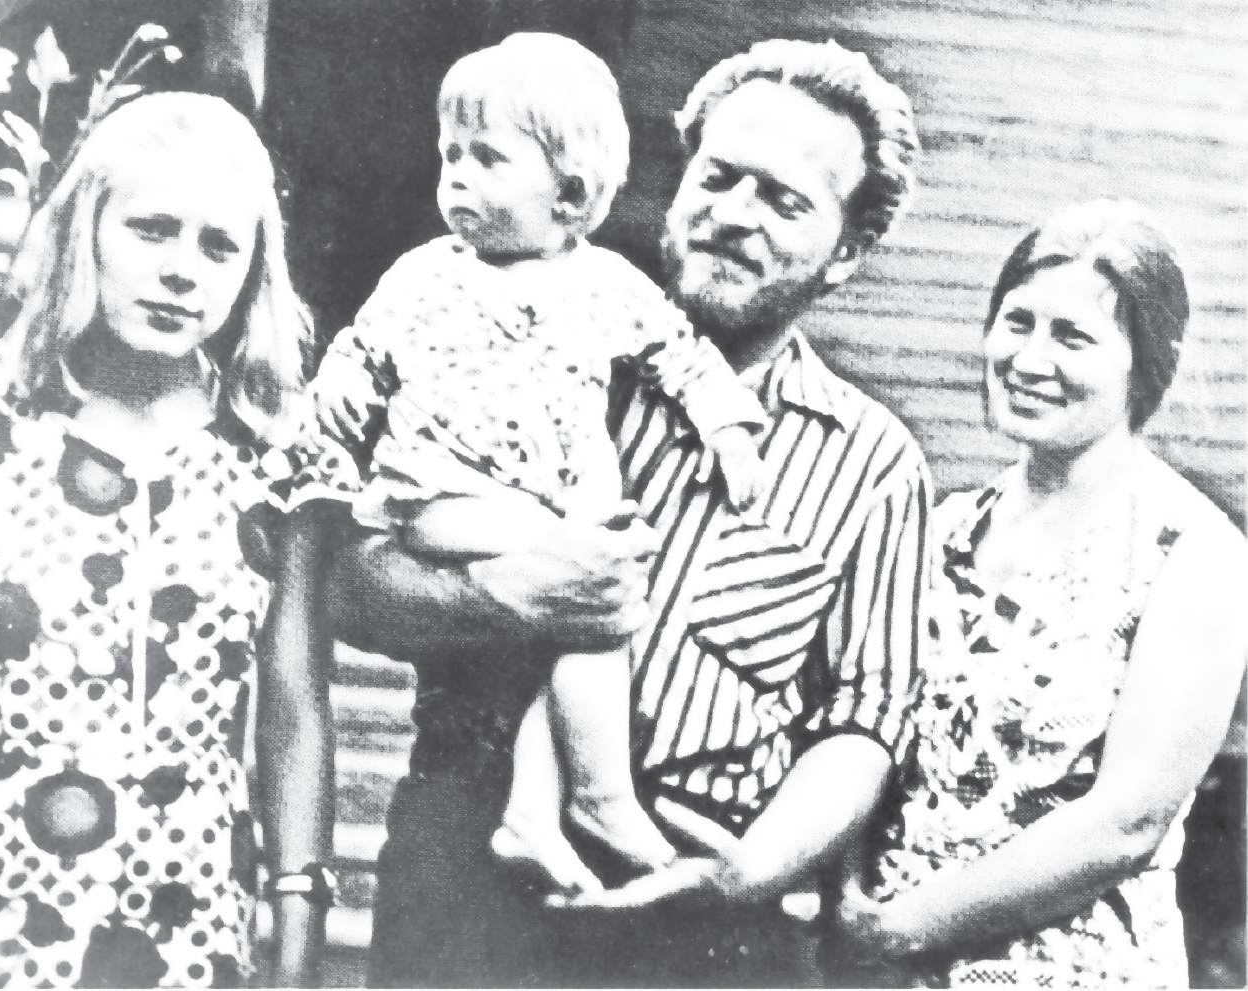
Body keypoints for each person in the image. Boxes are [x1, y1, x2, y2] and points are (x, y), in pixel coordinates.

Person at [326, 37, 931, 987]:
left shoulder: (873, 465)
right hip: (472, 868)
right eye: (719, 176)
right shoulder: (512, 347)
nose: (733, 215)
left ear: (847, 251)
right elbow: (353, 581)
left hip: (701, 904)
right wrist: (509, 599)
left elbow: (866, 716)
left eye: (783, 200)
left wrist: (751, 872)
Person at [313, 31, 769, 888]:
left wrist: (729, 429)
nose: (455, 176)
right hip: (445, 489)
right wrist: (332, 405)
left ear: (569, 196)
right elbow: (359, 356)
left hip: (559, 492)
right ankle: (601, 791)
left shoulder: (607, 285)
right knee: (590, 593)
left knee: (569, 602)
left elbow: (682, 356)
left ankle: (532, 808)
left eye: (485, 158)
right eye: (449, 154)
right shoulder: (424, 276)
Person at [0, 92, 352, 988]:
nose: (183, 271)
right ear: (88, 231)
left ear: (254, 270)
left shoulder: (275, 461)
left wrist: (297, 927)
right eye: (152, 230)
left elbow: (294, 704)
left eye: (219, 246)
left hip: (183, 914)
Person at [815, 200, 1248, 987]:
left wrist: (907, 925)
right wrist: (848, 891)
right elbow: (860, 718)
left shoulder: (1193, 554)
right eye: (1017, 323)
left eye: (1072, 337)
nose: (1029, 358)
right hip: (881, 964)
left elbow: (1126, 823)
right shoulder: (937, 529)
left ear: (1144, 362)